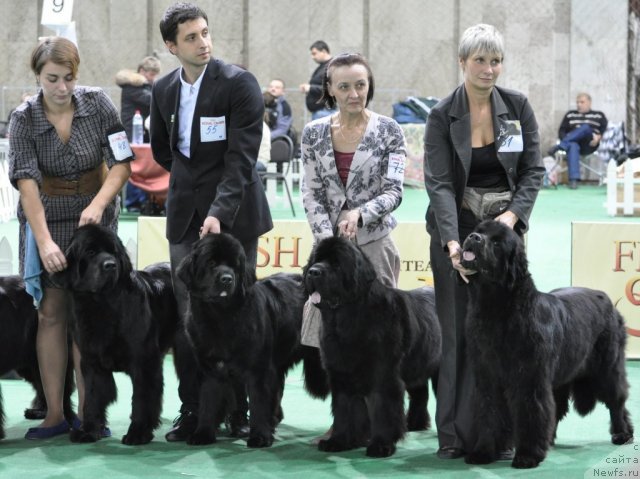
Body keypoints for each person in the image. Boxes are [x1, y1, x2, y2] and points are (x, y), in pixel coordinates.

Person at [149, 2, 273, 442]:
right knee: (190, 320)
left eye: (205, 33)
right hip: (184, 213)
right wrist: (192, 192)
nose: (203, 43)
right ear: (171, 46)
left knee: (240, 315)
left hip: (235, 212)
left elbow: (241, 159)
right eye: (191, 37)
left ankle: (240, 410)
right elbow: (163, 151)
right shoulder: (162, 89)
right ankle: (194, 409)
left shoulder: (239, 84)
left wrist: (218, 212)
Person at [423, 24, 544, 460]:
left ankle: (506, 432)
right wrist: (453, 244)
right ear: (462, 62)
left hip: (504, 235)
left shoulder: (517, 107)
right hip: (457, 226)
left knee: (510, 336)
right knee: (456, 334)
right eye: (480, 60)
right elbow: (438, 184)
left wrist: (513, 216)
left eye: (496, 60)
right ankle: (454, 435)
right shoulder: (441, 115)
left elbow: (533, 170)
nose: (489, 69)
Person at [8, 36, 132, 439]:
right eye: (52, 79)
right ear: (38, 77)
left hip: (92, 222)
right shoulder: (23, 118)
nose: (62, 88)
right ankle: (55, 414)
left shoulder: (98, 104)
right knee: (50, 314)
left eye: (69, 78)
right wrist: (43, 242)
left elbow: (121, 163)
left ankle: (92, 415)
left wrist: (97, 205)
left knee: (90, 320)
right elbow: (27, 187)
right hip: (46, 219)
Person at [115, 55, 162, 211]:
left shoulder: (144, 87)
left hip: (141, 134)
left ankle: (143, 201)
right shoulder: (132, 86)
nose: (153, 78)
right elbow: (151, 101)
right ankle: (133, 203)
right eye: (151, 74)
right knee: (134, 169)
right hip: (132, 134)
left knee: (142, 168)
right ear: (142, 71)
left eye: (155, 74)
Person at [547, 92, 608, 189]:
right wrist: (566, 139)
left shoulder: (599, 115)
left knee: (585, 127)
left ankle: (560, 146)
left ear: (589, 103)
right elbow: (561, 131)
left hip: (589, 143)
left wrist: (598, 138)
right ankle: (573, 180)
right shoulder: (570, 115)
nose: (579, 104)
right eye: (577, 102)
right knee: (573, 145)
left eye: (582, 102)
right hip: (572, 143)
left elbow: (604, 130)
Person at [299, 40, 335, 120]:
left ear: (324, 51)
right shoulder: (324, 66)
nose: (313, 57)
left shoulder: (332, 66)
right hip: (321, 112)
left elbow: (332, 89)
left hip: (324, 112)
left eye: (314, 53)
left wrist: (310, 88)